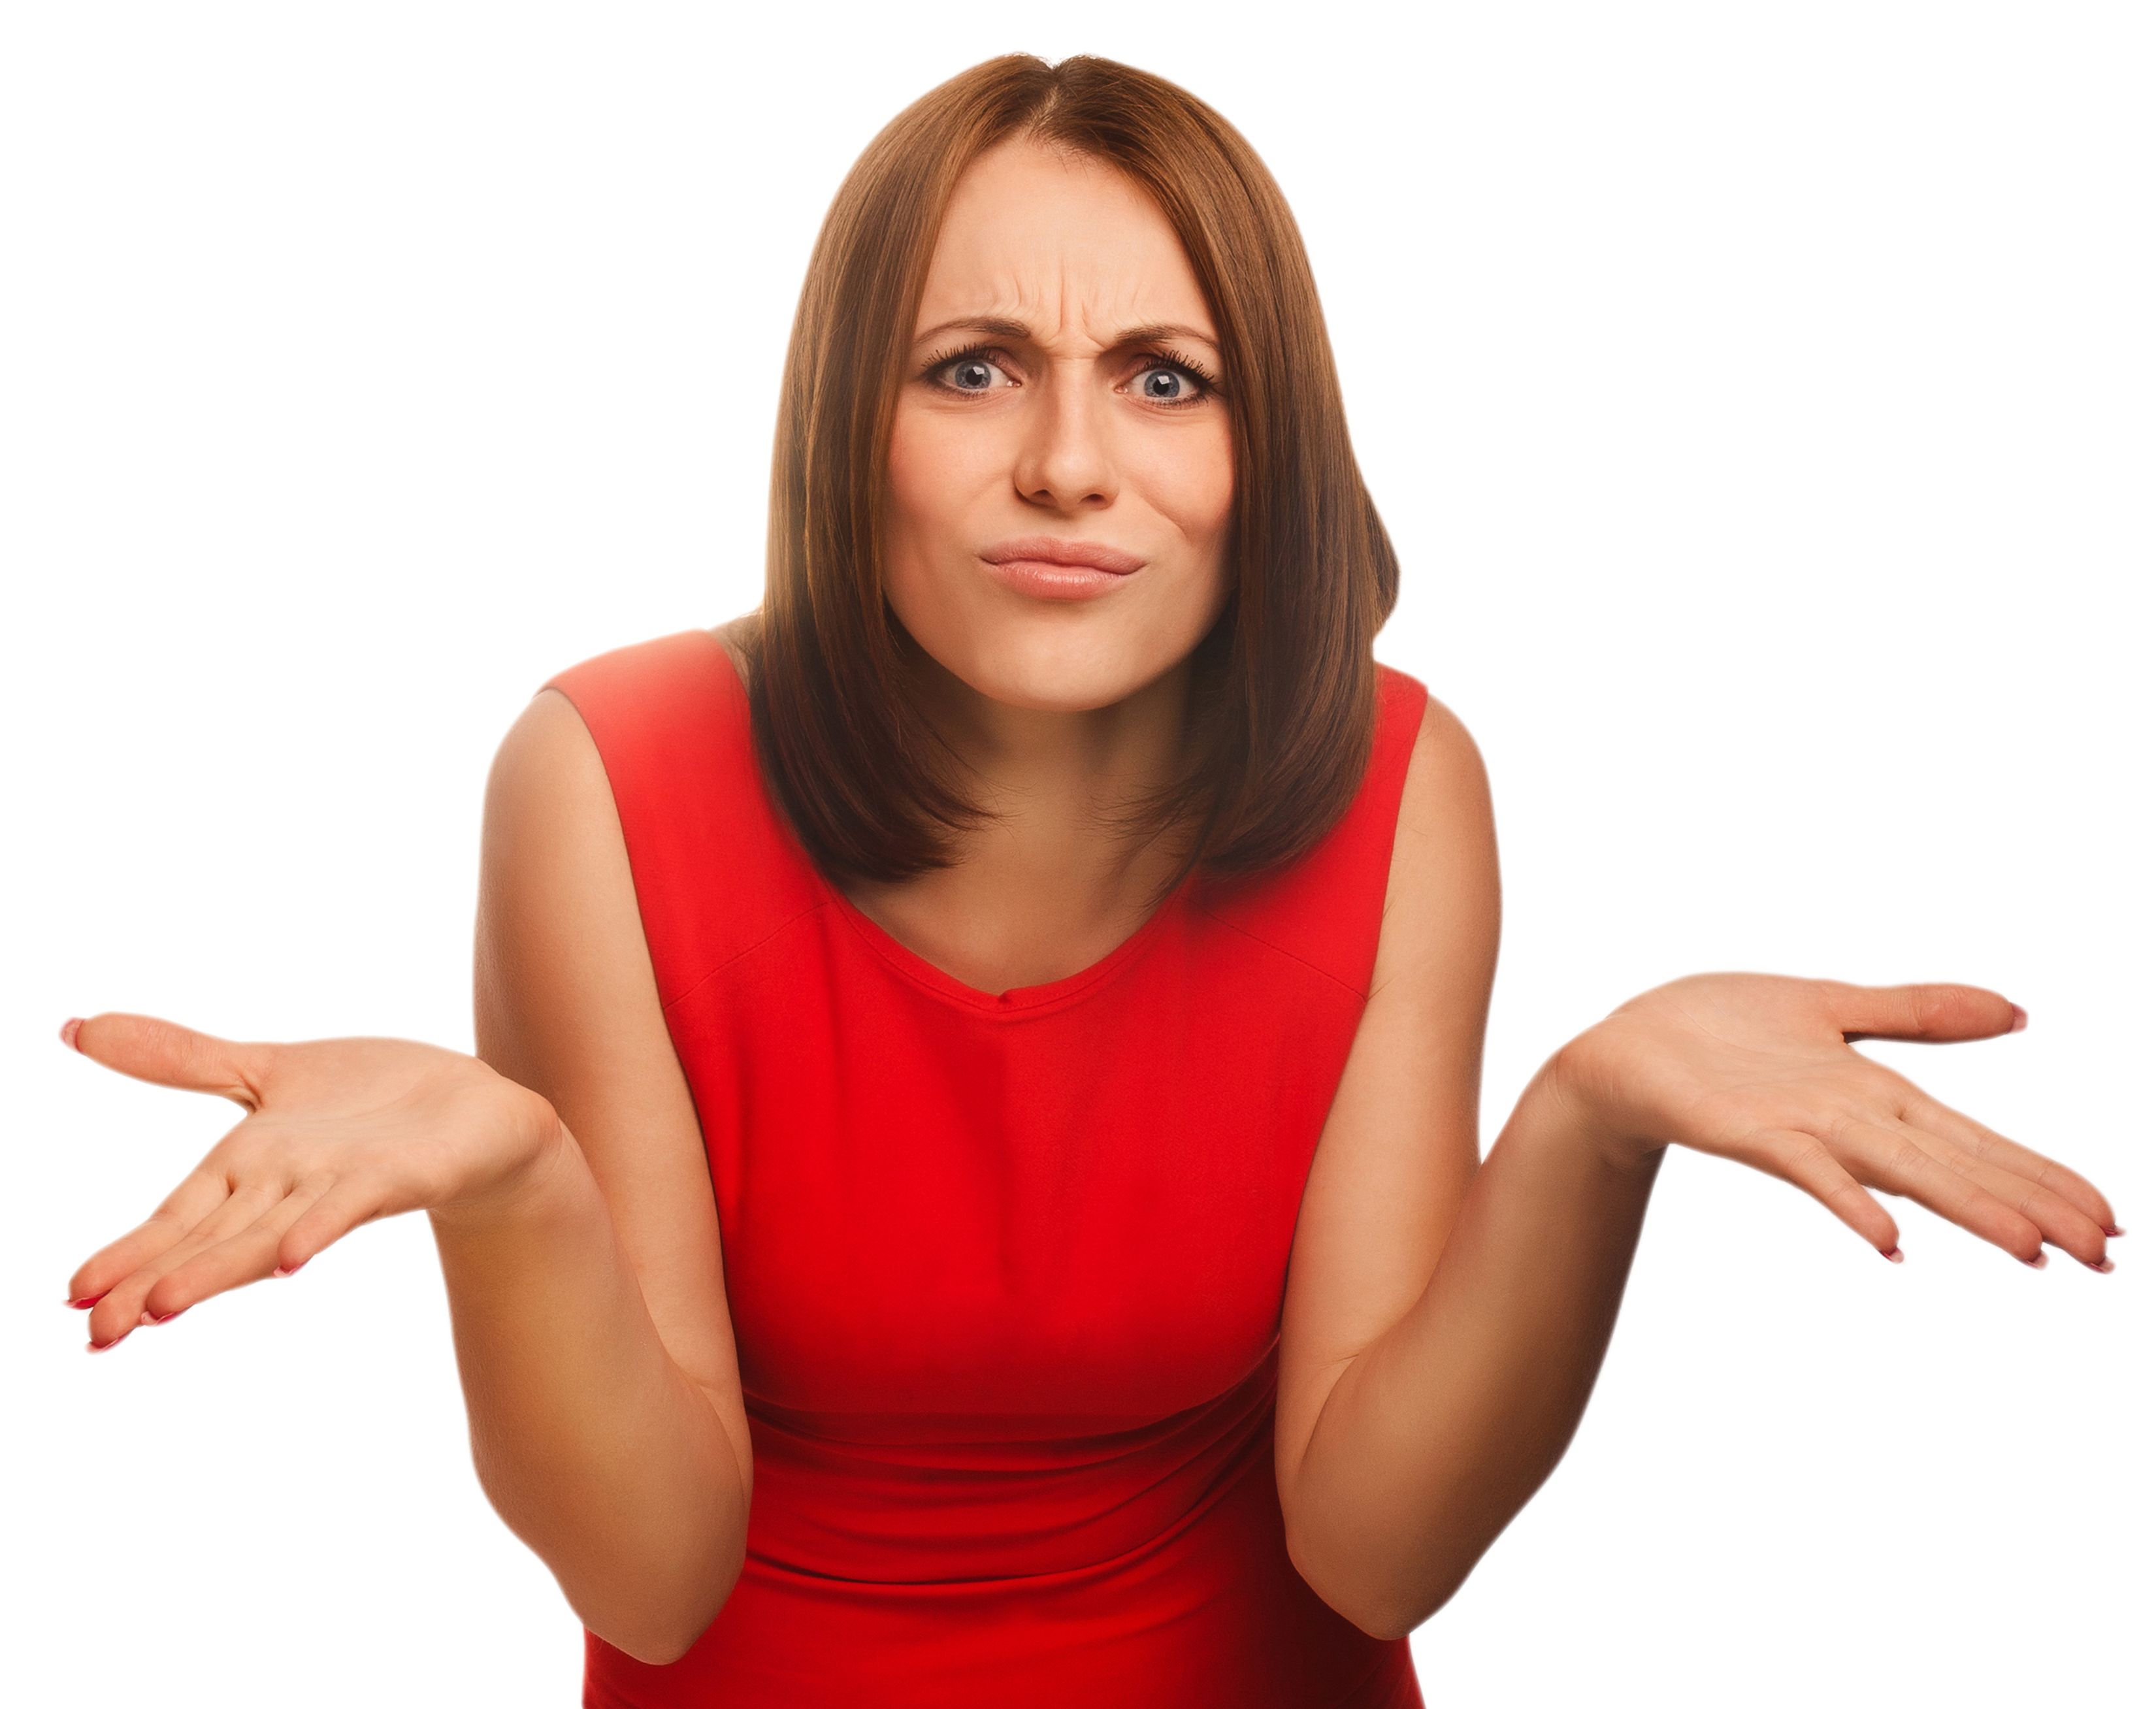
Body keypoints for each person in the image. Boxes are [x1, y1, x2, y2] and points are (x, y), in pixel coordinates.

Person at [58, 54, 2118, 1709]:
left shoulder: (1401, 783)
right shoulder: (608, 774)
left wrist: (1586, 1124)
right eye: (969, 368)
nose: (1067, 462)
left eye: (1165, 375)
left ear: (1264, 447)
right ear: (843, 427)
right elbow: (652, 1577)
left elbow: (1373, 1548)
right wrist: (511, 1184)